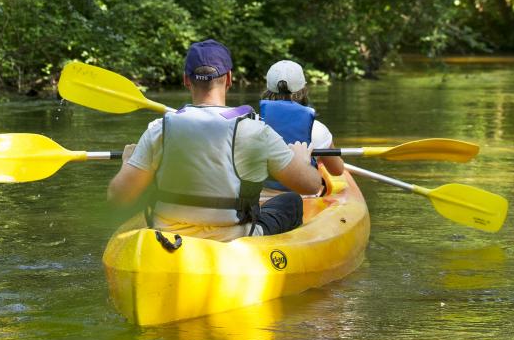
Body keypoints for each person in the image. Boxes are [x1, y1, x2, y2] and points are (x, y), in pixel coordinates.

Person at [108, 39, 323, 242]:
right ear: (229, 79)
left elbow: (118, 198)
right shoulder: (256, 131)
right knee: (291, 201)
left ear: (185, 79)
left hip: (168, 235)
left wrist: (128, 163)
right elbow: (310, 185)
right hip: (233, 238)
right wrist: (302, 160)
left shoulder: (160, 130)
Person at [259, 59, 343, 187]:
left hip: (260, 199)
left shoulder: (252, 124)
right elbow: (337, 171)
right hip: (304, 198)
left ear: (267, 90)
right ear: (304, 89)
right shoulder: (317, 129)